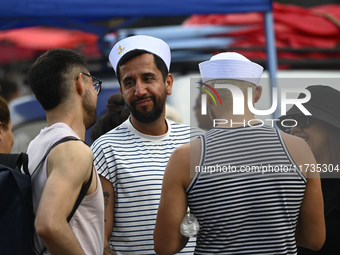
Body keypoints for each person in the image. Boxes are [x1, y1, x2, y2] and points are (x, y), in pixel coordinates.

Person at [154, 52, 325, 254]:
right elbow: (315, 239)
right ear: (257, 94)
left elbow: (166, 246)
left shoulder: (185, 157)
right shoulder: (299, 150)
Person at [91, 35, 199, 255]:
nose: (139, 90)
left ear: (168, 83)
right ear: (121, 90)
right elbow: (100, 241)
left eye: (148, 78)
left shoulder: (198, 143)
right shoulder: (105, 150)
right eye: (129, 82)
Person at [26, 48, 104, 255]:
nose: (96, 92)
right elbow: (48, 224)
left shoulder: (37, 145)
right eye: (94, 84)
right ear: (80, 82)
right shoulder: (74, 150)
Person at [277, 85, 340, 255]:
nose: (293, 129)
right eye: (290, 123)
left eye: (302, 120)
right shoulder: (286, 185)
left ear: (332, 127)